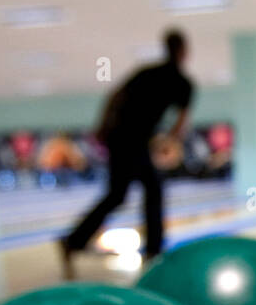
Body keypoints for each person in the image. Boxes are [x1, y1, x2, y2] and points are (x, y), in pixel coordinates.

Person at [61, 30, 193, 277]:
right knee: (145, 190)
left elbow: (115, 96)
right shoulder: (183, 82)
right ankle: (153, 250)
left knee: (120, 194)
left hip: (122, 138)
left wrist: (102, 126)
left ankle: (74, 240)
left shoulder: (147, 72)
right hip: (131, 140)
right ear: (184, 51)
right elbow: (181, 122)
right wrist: (169, 141)